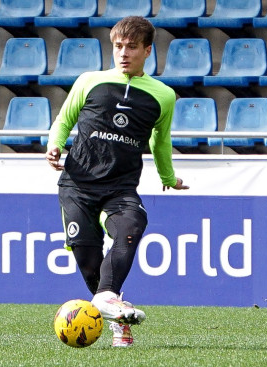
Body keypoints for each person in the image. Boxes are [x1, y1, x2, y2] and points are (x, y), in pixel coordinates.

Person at [45, 16, 189, 347]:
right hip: (77, 185)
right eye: (118, 46)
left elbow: (160, 141)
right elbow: (64, 120)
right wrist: (54, 146)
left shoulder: (163, 96)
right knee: (89, 261)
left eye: (132, 47)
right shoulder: (89, 81)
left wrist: (169, 177)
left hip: (120, 187)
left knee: (133, 224)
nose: (123, 53)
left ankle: (108, 298)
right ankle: (117, 319)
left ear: (147, 50)